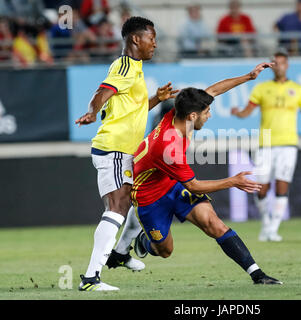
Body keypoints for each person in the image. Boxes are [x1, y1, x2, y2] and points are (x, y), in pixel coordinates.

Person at [131, 62, 282, 285]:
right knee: (164, 250)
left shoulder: (180, 112)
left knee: (214, 224)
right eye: (207, 112)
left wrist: (249, 76)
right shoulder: (169, 147)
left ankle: (257, 275)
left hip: (172, 183)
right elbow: (193, 185)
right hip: (149, 196)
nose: (209, 115)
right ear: (193, 115)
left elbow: (213, 91)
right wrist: (232, 181)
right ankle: (144, 242)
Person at [75, 17, 178, 291]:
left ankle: (119, 254)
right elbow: (103, 91)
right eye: (151, 37)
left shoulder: (136, 69)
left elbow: (133, 108)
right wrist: (92, 111)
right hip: (115, 149)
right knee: (118, 207)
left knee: (133, 201)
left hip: (126, 150)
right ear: (136, 39)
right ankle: (91, 278)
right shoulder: (124, 65)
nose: (154, 43)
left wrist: (155, 98)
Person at [231, 51, 301, 242]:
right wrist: (238, 113)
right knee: (262, 188)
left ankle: (273, 229)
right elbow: (247, 112)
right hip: (265, 144)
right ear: (272, 66)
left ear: (287, 65)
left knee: (282, 186)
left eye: (282, 63)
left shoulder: (298, 89)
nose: (279, 66)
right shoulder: (261, 88)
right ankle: (266, 223)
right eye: (276, 63)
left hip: (288, 144)